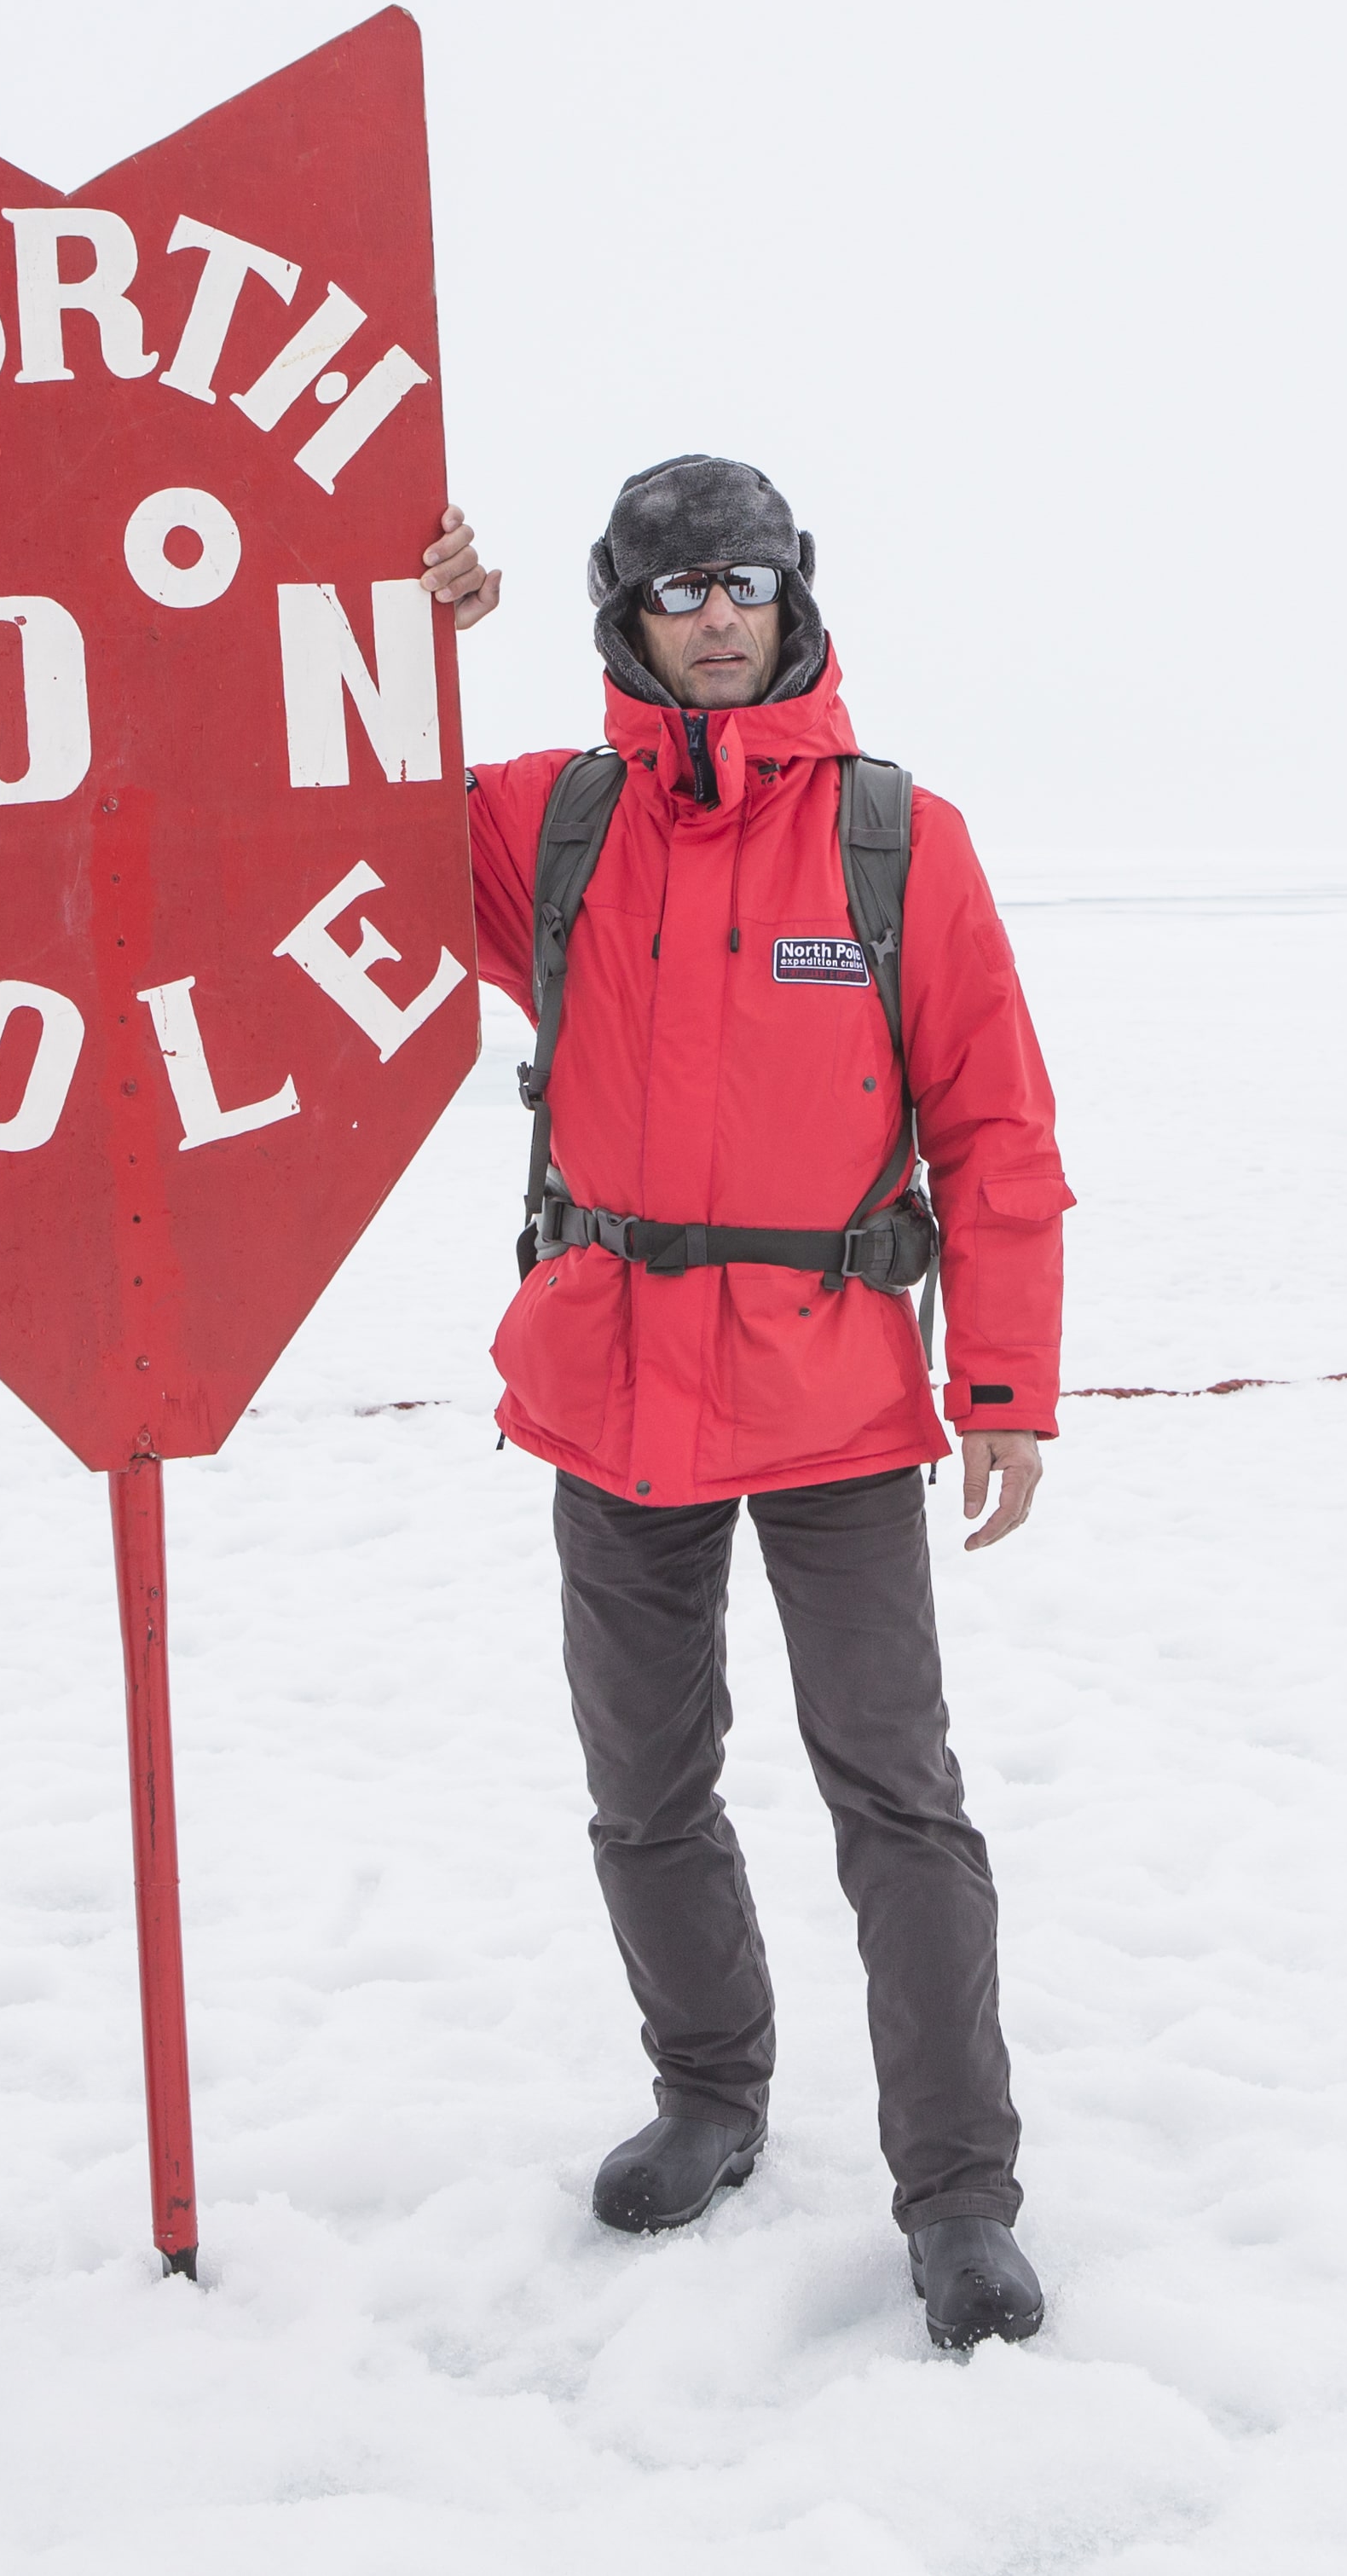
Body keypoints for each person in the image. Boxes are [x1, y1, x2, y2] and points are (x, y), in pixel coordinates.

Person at [422, 459, 1072, 2348]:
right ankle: (710, 2090)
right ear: (623, 618)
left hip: (835, 1396)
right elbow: (337, 815)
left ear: (797, 596)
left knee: (898, 1799)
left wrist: (1006, 1382)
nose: (718, 611)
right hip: (610, 1381)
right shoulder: (548, 824)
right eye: (677, 585)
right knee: (645, 1788)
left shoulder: (895, 838)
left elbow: (996, 1123)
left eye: (749, 578)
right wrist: (404, 637)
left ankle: (959, 2189)